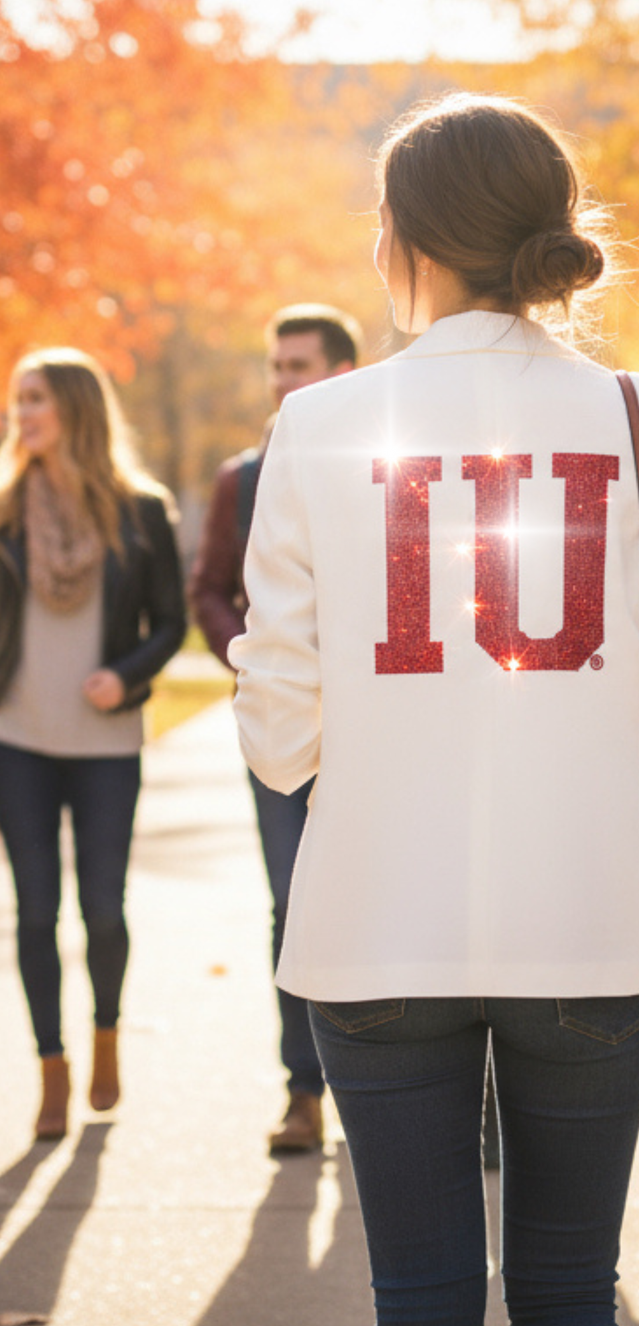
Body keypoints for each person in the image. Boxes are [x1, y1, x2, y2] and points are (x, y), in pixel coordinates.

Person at [230, 92, 639, 1325]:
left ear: (406, 242)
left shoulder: (316, 424)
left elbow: (276, 737)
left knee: (418, 1292)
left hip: (374, 919)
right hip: (588, 914)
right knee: (571, 1289)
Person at [0, 347, 186, 1141]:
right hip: (18, 739)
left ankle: (106, 1036)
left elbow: (172, 622)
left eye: (35, 399)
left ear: (75, 407)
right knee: (35, 911)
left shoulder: (142, 511)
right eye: (18, 401)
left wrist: (127, 674)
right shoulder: (6, 510)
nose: (22, 414)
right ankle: (52, 1068)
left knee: (102, 911)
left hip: (107, 741)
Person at [188, 303, 360, 1153]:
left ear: (342, 373)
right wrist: (253, 660)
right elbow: (210, 588)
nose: (282, 379)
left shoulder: (386, 464)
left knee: (399, 900)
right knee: (292, 902)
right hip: (285, 726)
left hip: (380, 731)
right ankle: (303, 1091)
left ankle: (433, 1095)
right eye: (276, 365)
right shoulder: (243, 478)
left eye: (299, 365)